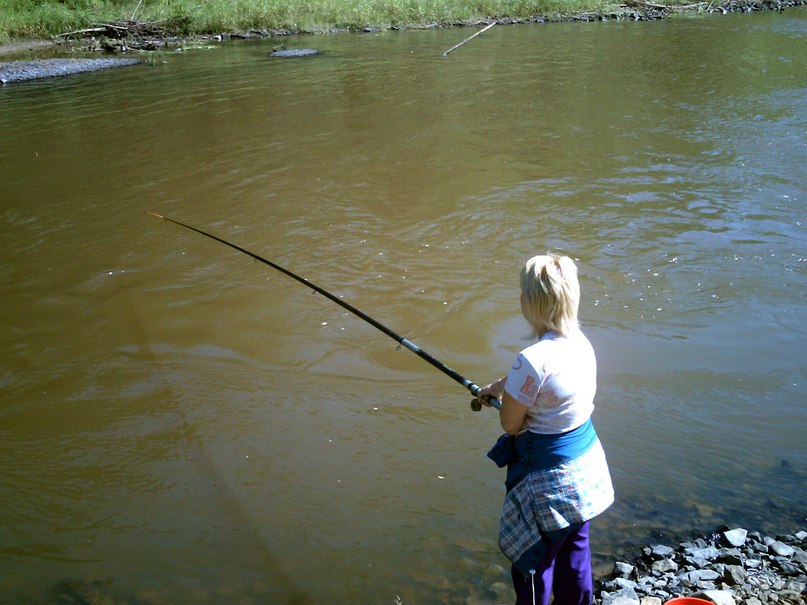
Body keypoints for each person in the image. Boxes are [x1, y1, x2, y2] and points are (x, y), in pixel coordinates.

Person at [476, 253, 614, 605]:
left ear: (528, 303)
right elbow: (542, 381)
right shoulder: (582, 344)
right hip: (585, 472)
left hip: (548, 484)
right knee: (575, 553)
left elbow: (511, 424)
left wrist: (504, 401)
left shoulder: (530, 360)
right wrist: (501, 386)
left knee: (535, 560)